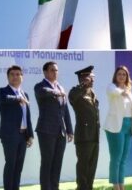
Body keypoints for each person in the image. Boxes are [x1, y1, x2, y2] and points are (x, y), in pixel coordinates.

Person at [34, 62, 74, 190]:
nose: (55, 72)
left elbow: (65, 111)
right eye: (52, 70)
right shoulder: (40, 86)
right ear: (45, 72)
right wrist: (57, 92)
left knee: (57, 164)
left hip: (61, 132)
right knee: (47, 163)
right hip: (46, 131)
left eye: (56, 70)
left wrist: (70, 130)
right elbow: (44, 92)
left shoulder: (60, 87)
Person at [0, 65, 34, 190]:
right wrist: (19, 98)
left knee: (18, 167)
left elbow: (27, 117)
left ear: (22, 77)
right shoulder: (3, 91)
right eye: (12, 74)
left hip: (23, 136)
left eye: (18, 74)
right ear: (8, 77)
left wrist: (30, 135)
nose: (15, 77)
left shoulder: (25, 94)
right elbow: (5, 99)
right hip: (9, 135)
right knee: (11, 164)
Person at [68, 66, 100, 190]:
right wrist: (82, 85)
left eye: (93, 77)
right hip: (84, 135)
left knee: (92, 167)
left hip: (94, 135)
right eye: (90, 77)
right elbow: (72, 98)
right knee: (83, 167)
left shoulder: (92, 93)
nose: (93, 80)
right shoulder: (76, 92)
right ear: (84, 78)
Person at [104, 66, 132, 190]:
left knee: (123, 159)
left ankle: (121, 185)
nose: (122, 76)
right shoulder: (111, 87)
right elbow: (114, 92)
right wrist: (123, 92)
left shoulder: (128, 90)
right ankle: (115, 185)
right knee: (116, 158)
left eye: (124, 74)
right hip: (115, 126)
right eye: (119, 74)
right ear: (115, 76)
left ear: (127, 76)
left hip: (128, 126)